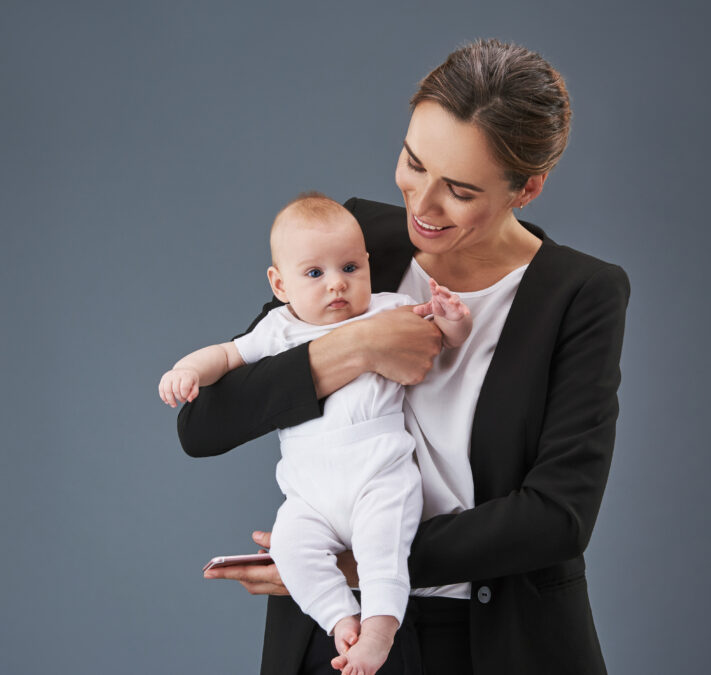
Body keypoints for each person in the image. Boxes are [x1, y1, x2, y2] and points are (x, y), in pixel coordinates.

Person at [178, 39, 630, 675]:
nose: (421, 205)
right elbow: (204, 424)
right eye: (414, 163)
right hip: (333, 635)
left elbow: (556, 518)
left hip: (493, 641)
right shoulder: (355, 246)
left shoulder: (580, 293)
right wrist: (356, 344)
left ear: (527, 187)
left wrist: (358, 560)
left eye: (461, 190)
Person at [160, 194, 472, 675]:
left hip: (379, 475)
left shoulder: (388, 308)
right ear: (279, 284)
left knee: (382, 549)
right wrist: (187, 370)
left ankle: (379, 630)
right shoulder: (278, 329)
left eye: (350, 268)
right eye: (315, 274)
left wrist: (453, 318)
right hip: (311, 495)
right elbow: (225, 356)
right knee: (288, 545)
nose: (337, 286)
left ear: (368, 264)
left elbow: (441, 337)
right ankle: (341, 619)